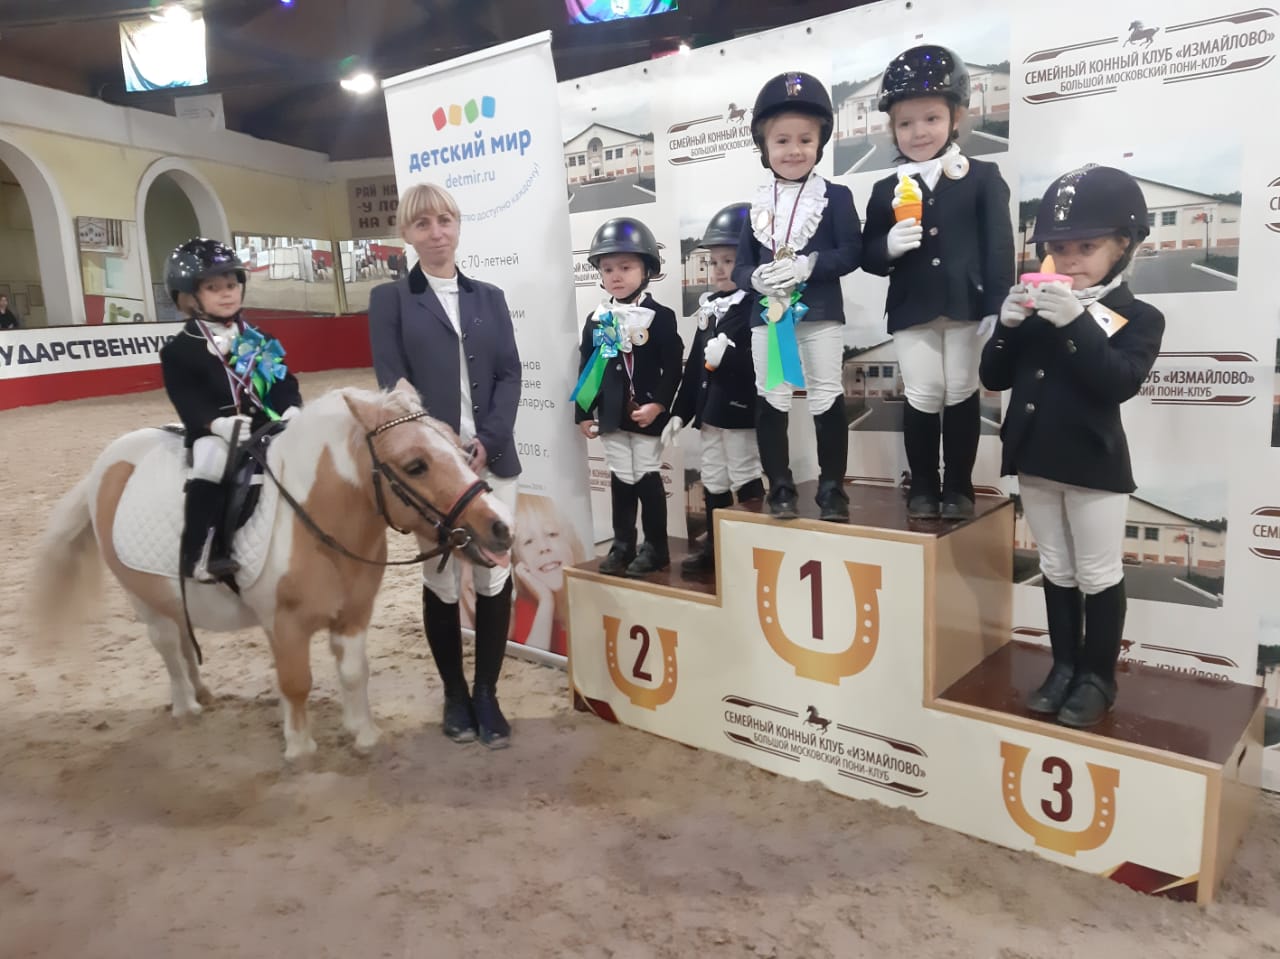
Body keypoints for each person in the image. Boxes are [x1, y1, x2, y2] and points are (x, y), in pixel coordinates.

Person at [980, 165, 1164, 729]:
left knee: (1098, 572)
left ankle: (1097, 677)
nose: (1070, 260)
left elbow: (1117, 382)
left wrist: (1076, 323)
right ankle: (1063, 667)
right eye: (1059, 248)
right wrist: (1007, 326)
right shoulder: (1040, 307)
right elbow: (993, 377)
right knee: (1056, 567)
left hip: (1093, 465)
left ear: (1123, 246)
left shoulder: (1140, 317)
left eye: (1087, 247)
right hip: (1035, 458)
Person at [368, 182, 522, 749]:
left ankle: (487, 694)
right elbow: (395, 386)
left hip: (492, 458)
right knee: (440, 579)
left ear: (457, 225)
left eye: (444, 221)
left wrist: (489, 438)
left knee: (493, 573)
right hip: (433, 472)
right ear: (406, 234)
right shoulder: (390, 300)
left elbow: (509, 373)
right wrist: (444, 448)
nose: (436, 233)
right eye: (422, 224)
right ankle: (454, 695)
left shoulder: (490, 297)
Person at [862, 45, 1014, 521]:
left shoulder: (983, 177)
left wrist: (997, 304)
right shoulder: (885, 190)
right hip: (913, 307)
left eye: (931, 118)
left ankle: (960, 486)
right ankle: (924, 485)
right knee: (924, 391)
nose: (919, 131)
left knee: (962, 390)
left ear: (956, 117)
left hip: (967, 304)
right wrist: (888, 246)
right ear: (892, 128)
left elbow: (999, 245)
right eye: (905, 123)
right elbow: (869, 256)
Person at [733, 71, 862, 523]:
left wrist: (809, 265)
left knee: (826, 393)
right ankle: (781, 487)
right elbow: (740, 267)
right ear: (765, 146)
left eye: (805, 140)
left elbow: (851, 252)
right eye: (782, 141)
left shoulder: (836, 197)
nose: (794, 150)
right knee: (773, 394)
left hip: (820, 312)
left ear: (820, 142)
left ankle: (832, 489)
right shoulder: (756, 206)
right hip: (770, 316)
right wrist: (756, 279)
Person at [159, 238, 301, 584]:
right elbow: (187, 398)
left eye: (231, 285)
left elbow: (281, 380)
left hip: (265, 426)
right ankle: (199, 552)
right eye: (213, 288)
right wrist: (215, 423)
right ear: (189, 296)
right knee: (212, 462)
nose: (226, 294)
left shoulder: (257, 338)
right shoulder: (180, 350)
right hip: (216, 431)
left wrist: (291, 408)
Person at [572, 216, 682, 576]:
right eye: (608, 269)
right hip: (612, 414)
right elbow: (590, 368)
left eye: (625, 267)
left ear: (646, 269)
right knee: (621, 477)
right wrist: (584, 412)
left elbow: (673, 367)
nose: (615, 276)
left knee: (647, 475)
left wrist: (659, 405)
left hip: (647, 414)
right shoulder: (599, 319)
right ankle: (622, 545)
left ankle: (656, 547)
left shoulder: (660, 317)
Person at [664, 202, 763, 576]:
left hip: (739, 412)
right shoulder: (710, 309)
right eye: (714, 262)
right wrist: (679, 412)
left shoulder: (758, 307)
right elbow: (695, 370)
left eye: (730, 260)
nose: (720, 269)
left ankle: (752, 548)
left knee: (743, 473)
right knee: (714, 478)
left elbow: (766, 367)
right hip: (709, 415)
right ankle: (717, 548)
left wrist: (730, 357)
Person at [510, 494, 586, 656]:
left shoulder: (594, 597)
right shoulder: (526, 607)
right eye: (528, 541)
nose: (543, 547)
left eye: (551, 534)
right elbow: (530, 664)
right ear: (519, 563)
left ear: (571, 543)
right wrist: (546, 601)